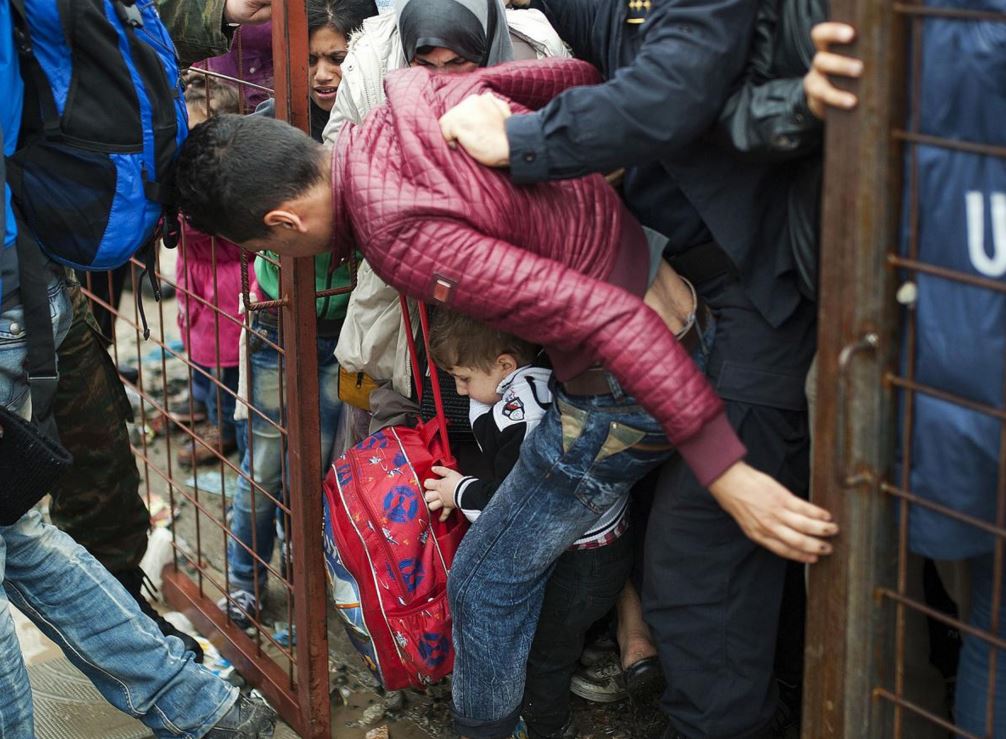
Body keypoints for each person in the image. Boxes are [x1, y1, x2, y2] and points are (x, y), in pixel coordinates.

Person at [172, 57, 839, 739]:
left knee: (482, 583)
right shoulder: (406, 102)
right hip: (680, 303)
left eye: (269, 249)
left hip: (631, 384)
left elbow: (608, 312)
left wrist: (724, 469)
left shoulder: (398, 234)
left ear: (284, 222)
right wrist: (574, 182)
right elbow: (577, 76)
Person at [433, 0, 838, 734]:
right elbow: (615, 60)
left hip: (756, 298)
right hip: (698, 293)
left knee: (700, 576)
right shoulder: (607, 15)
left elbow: (670, 92)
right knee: (711, 566)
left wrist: (522, 140)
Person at [0, 0, 274, 734]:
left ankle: (194, 702)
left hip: (18, 289)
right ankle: (201, 707)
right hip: (26, 282)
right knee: (20, 535)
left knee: (27, 530)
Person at [321, 0, 566, 415]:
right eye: (425, 64)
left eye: (458, 63)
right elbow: (338, 165)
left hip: (515, 283)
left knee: (513, 414)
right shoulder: (373, 60)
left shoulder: (534, 51)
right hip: (415, 301)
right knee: (430, 419)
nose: (442, 80)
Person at [216, 0, 377, 629]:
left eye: (337, 57)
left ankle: (316, 572)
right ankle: (244, 581)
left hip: (352, 329)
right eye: (309, 58)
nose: (322, 73)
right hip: (276, 324)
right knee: (265, 462)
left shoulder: (372, 127)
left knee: (336, 458)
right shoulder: (270, 127)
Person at [424, 310, 632, 739]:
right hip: (603, 540)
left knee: (546, 653)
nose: (459, 390)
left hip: (582, 559)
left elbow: (511, 507)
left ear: (504, 364)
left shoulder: (521, 415)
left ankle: (546, 727)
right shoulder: (541, 378)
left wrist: (458, 491)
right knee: (560, 637)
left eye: (463, 378)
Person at [175, 74, 253, 468]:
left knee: (226, 364)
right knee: (199, 350)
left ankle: (223, 426)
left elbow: (190, 225)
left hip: (226, 283)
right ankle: (204, 406)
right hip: (196, 276)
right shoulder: (186, 173)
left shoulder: (222, 183)